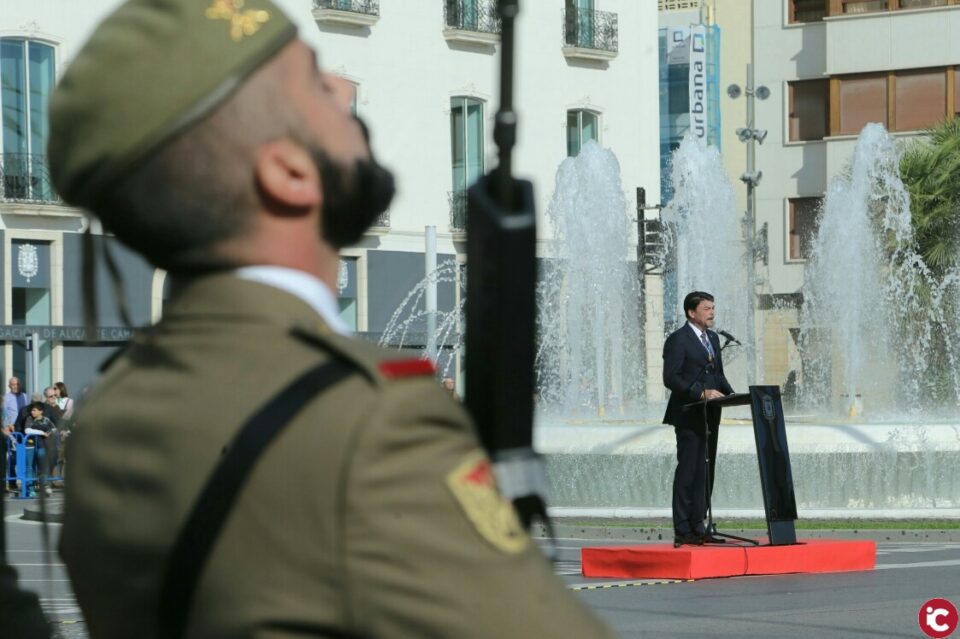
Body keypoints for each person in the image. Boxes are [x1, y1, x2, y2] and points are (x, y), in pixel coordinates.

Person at [49, 1, 615, 637]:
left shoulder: (110, 414)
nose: (346, 91)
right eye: (320, 83)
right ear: (288, 173)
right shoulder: (371, 420)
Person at [662, 291, 735, 547]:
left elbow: (718, 375)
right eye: (707, 308)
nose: (712, 312)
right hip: (689, 413)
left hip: (710, 414)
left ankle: (699, 524)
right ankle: (683, 529)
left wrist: (734, 395)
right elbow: (671, 378)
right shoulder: (678, 340)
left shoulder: (713, 339)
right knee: (689, 470)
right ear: (692, 312)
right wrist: (699, 392)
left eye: (713, 307)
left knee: (706, 471)